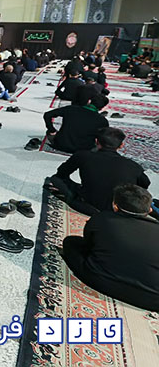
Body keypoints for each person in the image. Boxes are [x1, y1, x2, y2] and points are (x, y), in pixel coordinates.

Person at [61, 183, 159, 311]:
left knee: (70, 242)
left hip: (100, 280)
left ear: (115, 206)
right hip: (152, 299)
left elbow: (88, 246)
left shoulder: (102, 218)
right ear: (149, 210)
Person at [45, 128, 151, 216]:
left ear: (96, 141)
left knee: (55, 179)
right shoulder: (133, 165)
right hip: (120, 206)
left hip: (89, 203)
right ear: (121, 145)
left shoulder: (83, 156)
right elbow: (144, 184)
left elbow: (61, 174)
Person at [44, 94, 109, 153]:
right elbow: (104, 139)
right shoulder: (103, 121)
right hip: (84, 150)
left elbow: (47, 115)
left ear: (89, 101)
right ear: (103, 107)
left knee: (49, 132)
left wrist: (52, 130)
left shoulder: (71, 109)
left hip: (61, 144)